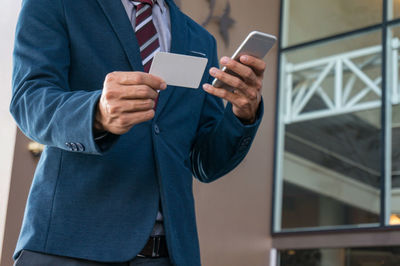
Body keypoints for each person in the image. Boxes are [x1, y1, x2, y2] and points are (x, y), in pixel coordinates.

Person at [10, 0, 266, 265]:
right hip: (70, 248)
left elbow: (205, 162)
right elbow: (29, 99)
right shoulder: (58, 5)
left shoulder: (200, 40)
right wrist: (97, 113)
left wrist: (242, 115)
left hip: (169, 255)